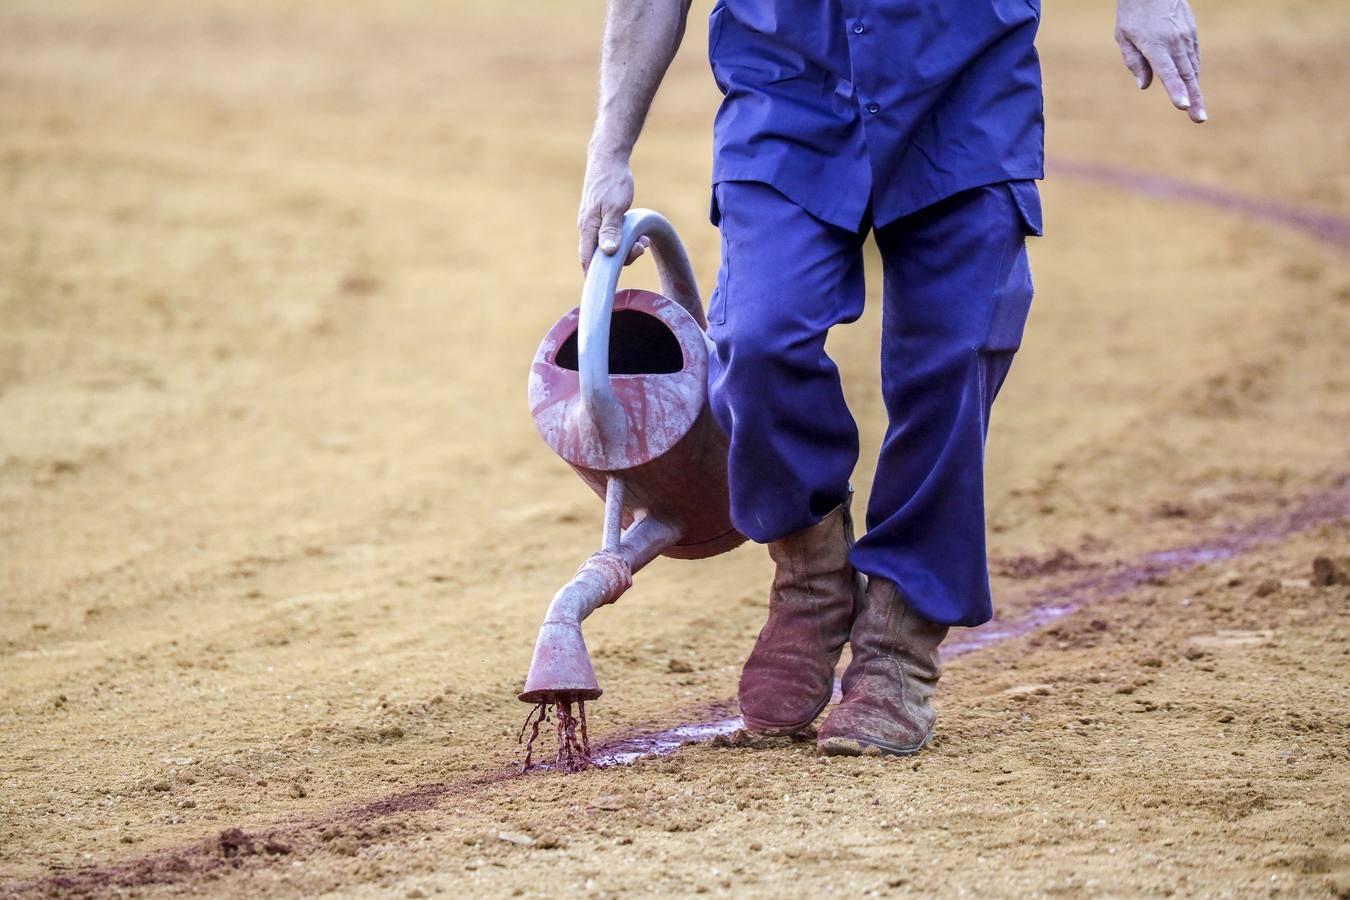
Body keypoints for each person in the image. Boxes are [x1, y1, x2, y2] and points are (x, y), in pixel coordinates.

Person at [577, 0, 1206, 756]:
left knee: (954, 352)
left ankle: (900, 636)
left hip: (964, 84)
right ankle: (811, 577)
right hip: (788, 87)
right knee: (759, 337)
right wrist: (608, 150)